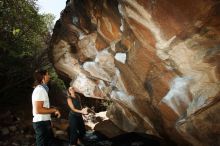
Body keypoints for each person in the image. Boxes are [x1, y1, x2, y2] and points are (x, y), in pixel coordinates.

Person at [32, 69, 61, 146]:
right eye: (47, 74)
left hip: (44, 121)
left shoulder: (43, 89)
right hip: (41, 123)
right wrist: (54, 109)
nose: (49, 76)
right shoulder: (40, 90)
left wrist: (49, 120)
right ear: (43, 77)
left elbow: (44, 107)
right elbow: (38, 110)